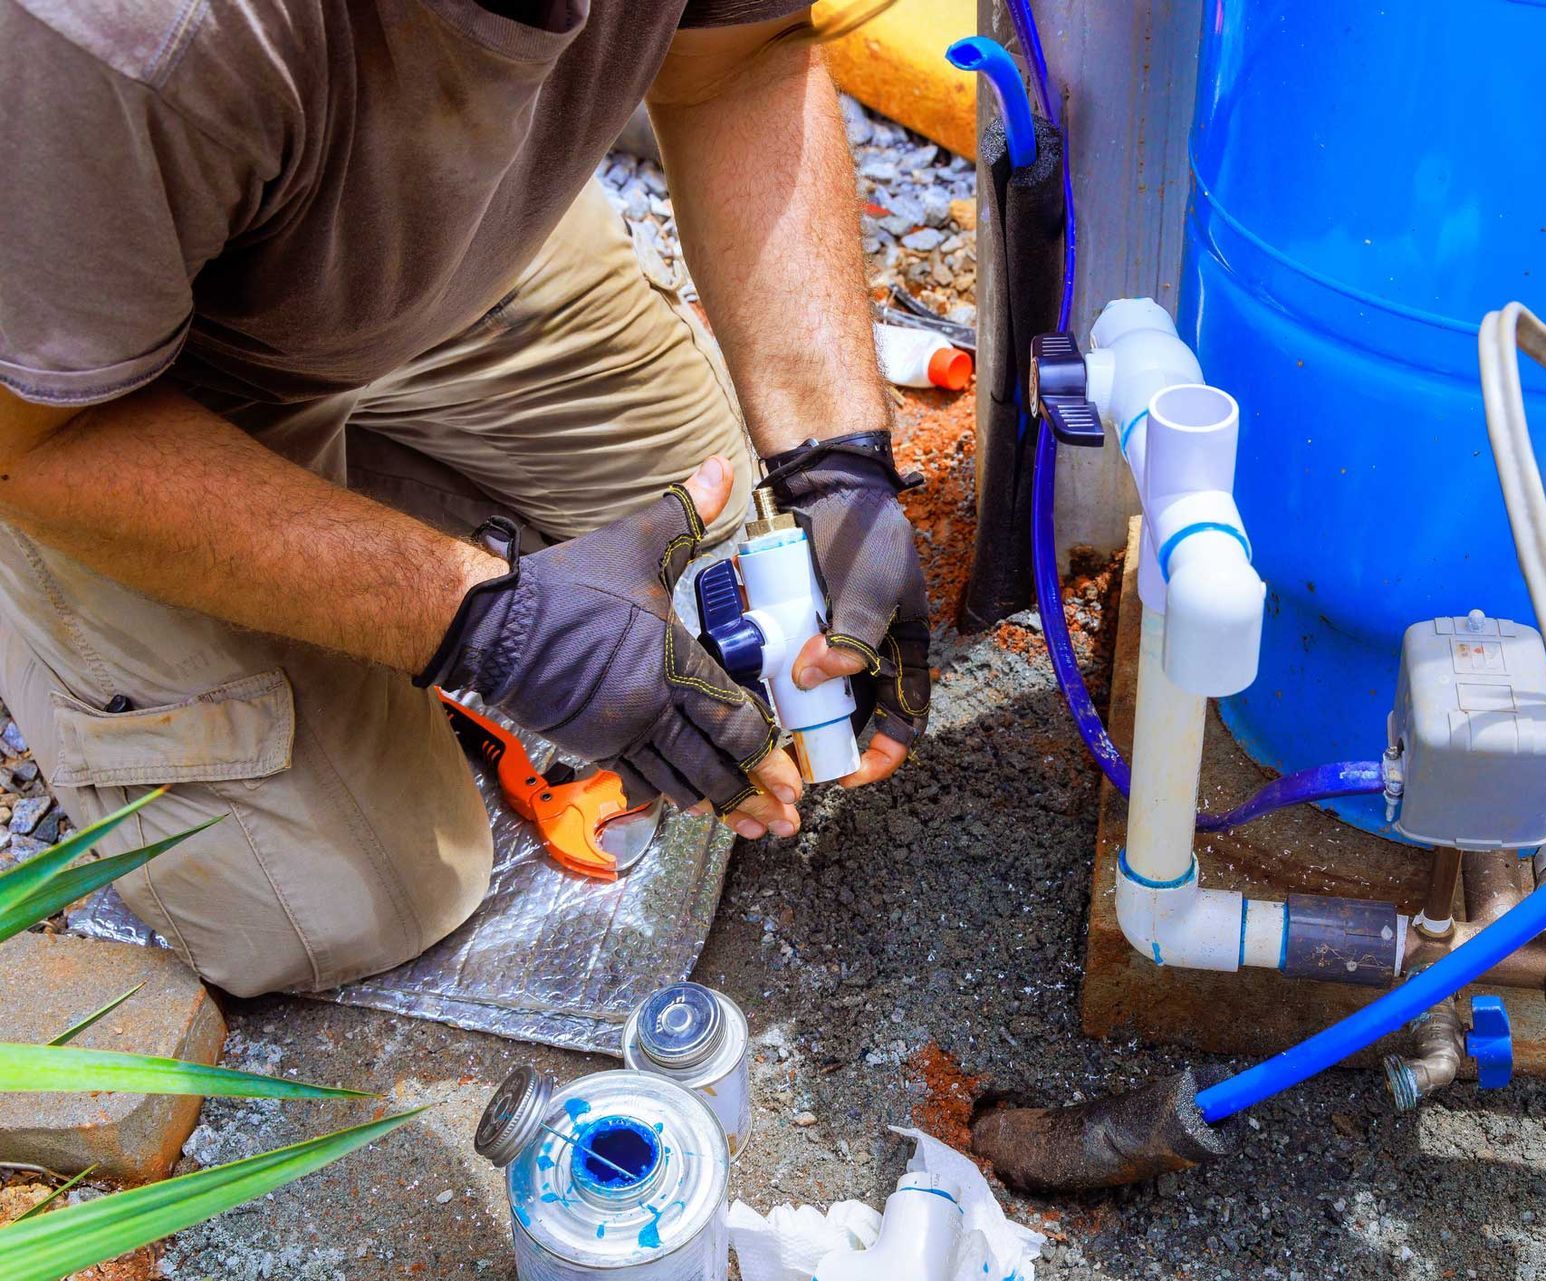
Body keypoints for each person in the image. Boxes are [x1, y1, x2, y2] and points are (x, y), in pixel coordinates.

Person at [0, 0, 932, 996]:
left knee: (743, 582)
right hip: (95, 394)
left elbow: (739, 62)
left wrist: (837, 465)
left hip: (401, 215)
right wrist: (497, 623)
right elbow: (39, 442)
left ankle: (335, 421)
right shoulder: (120, 35)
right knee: (354, 905)